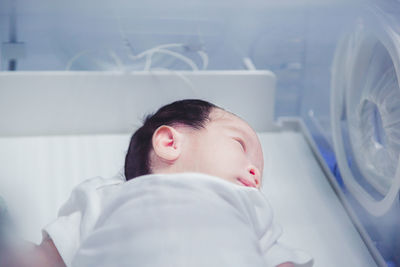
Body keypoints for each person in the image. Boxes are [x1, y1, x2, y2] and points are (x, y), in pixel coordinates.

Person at [2, 99, 312, 267]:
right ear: (168, 142)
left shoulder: (251, 207)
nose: (255, 173)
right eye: (240, 146)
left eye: (259, 171)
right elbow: (48, 258)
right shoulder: (110, 195)